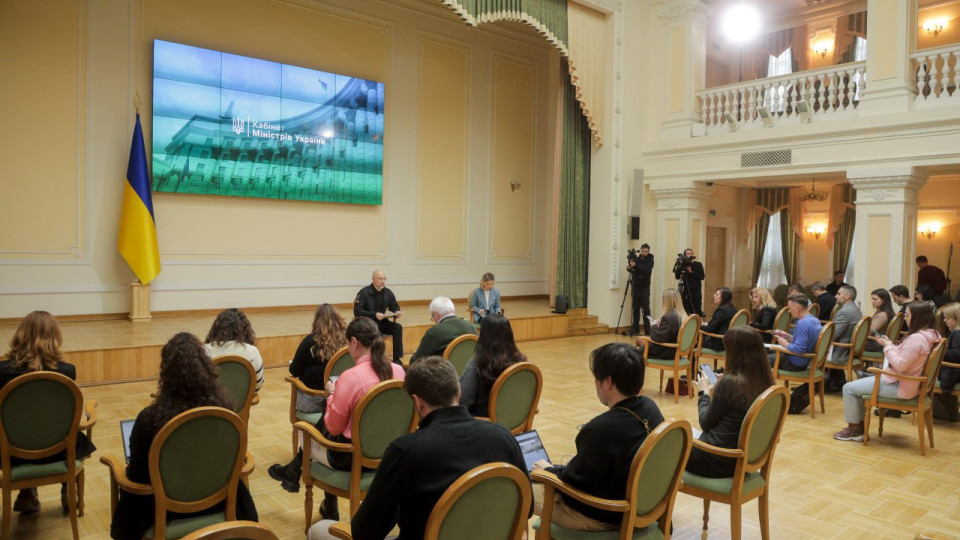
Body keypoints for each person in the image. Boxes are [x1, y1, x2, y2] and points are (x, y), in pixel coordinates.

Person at [307, 357, 529, 540]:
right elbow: (525, 509)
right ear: (458, 391)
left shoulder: (406, 451)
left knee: (318, 530)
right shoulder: (503, 437)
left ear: (417, 403)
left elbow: (364, 532)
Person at [110, 332, 257, 540]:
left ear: (166, 374)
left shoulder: (149, 420)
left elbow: (135, 477)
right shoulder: (226, 415)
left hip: (163, 514)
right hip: (218, 506)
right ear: (206, 368)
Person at [266, 317, 405, 515]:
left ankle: (323, 500)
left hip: (351, 457)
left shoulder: (351, 377)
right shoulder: (399, 372)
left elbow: (333, 427)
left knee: (318, 429)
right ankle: (300, 478)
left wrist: (332, 393)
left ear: (354, 342)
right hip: (391, 453)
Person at [531, 343, 664, 531]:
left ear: (608, 382)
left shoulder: (600, 429)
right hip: (644, 506)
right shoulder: (651, 408)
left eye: (596, 378)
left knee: (518, 491)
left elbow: (573, 486)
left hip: (604, 514)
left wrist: (549, 471)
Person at [0, 311, 96, 515]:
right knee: (66, 431)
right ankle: (67, 490)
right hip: (58, 452)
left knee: (24, 429)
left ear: (19, 335)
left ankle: (26, 494)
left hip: (11, 454)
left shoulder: (1, 372)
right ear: (55, 338)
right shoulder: (66, 372)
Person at [268, 304, 348, 492]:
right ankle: (295, 469)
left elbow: (294, 370)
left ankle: (294, 469)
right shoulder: (345, 344)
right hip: (334, 401)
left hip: (312, 403)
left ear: (316, 322)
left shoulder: (309, 342)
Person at [834, 302, 940, 442]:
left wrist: (887, 347)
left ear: (918, 317)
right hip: (909, 383)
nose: (905, 319)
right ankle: (858, 427)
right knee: (857, 387)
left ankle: (855, 428)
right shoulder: (930, 334)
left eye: (908, 315)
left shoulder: (916, 339)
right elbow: (907, 358)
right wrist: (889, 344)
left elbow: (901, 365)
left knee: (848, 388)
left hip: (901, 386)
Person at [687, 326, 775, 477]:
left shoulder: (730, 384)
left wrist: (704, 393)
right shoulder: (766, 383)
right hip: (743, 460)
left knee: (665, 443)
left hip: (715, 460)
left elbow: (705, 423)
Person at [459, 315, 527, 416]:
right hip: (515, 419)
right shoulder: (521, 364)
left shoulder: (477, 365)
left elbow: (462, 403)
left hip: (485, 425)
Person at [204, 308, 264, 391]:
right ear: (245, 330)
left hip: (211, 402)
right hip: (242, 402)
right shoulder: (252, 352)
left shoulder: (204, 351)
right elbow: (258, 385)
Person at [354, 270, 404, 362]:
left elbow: (394, 306)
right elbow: (357, 311)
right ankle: (378, 359)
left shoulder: (388, 292)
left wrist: (397, 311)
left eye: (384, 279)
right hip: (368, 324)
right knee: (377, 333)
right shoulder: (364, 292)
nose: (383, 281)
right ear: (373, 279)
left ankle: (397, 359)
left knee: (398, 328)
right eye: (380, 279)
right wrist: (374, 315)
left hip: (382, 322)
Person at [409, 297, 477, 364]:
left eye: (432, 317)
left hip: (445, 373)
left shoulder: (434, 332)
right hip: (469, 372)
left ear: (435, 314)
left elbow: (415, 362)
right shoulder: (470, 326)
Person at [769, 294, 822, 371]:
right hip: (804, 362)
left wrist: (785, 344)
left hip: (794, 363)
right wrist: (788, 337)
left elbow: (800, 349)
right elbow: (806, 342)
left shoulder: (802, 323)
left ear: (797, 308)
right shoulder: (815, 320)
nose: (789, 311)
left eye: (790, 308)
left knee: (761, 360)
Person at [825, 285, 863, 389]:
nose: (835, 296)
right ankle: (836, 383)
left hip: (841, 352)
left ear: (847, 296)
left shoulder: (844, 312)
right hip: (850, 350)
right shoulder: (856, 309)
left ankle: (812, 385)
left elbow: (832, 336)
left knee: (812, 351)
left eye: (838, 294)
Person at [636, 288, 687, 359]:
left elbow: (658, 338)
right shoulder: (681, 314)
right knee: (640, 341)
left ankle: (638, 360)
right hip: (674, 349)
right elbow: (669, 332)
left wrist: (654, 326)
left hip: (666, 351)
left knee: (638, 344)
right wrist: (660, 325)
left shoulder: (669, 316)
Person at [934, 303, 960, 422]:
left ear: (956, 318)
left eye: (947, 318)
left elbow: (957, 355)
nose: (944, 320)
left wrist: (939, 350)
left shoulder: (958, 334)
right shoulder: (955, 333)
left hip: (954, 373)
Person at [627, 244, 654, 336]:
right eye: (643, 251)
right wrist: (629, 267)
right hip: (635, 286)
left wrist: (635, 265)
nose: (644, 253)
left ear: (648, 251)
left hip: (644, 287)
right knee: (635, 308)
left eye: (646, 251)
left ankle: (648, 330)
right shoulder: (637, 259)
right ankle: (635, 329)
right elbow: (632, 269)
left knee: (646, 309)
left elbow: (646, 270)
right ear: (641, 250)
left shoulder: (650, 260)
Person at [864, 288, 896, 353]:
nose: (872, 301)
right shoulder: (881, 311)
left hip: (878, 345)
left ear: (884, 300)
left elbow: (869, 332)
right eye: (872, 299)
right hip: (879, 342)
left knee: (852, 343)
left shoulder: (883, 314)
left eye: (875, 299)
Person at [675, 248, 705, 316]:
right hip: (686, 291)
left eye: (692, 254)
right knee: (685, 311)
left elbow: (702, 277)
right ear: (684, 255)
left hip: (696, 292)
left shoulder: (698, 264)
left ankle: (697, 325)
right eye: (688, 254)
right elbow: (677, 276)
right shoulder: (682, 265)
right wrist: (680, 266)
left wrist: (691, 272)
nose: (690, 255)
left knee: (696, 311)